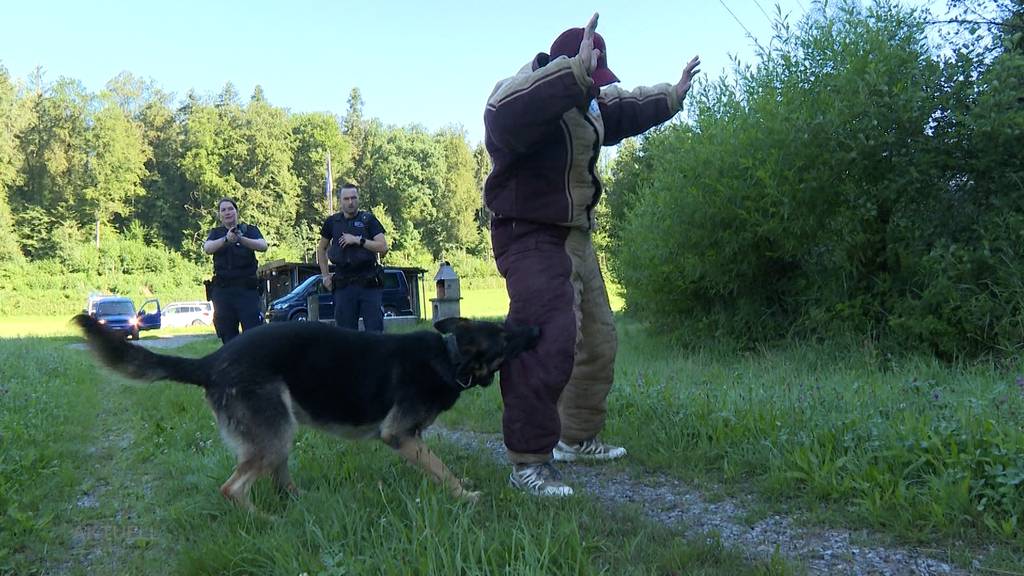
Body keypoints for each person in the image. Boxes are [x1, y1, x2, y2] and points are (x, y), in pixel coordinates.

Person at [483, 13, 700, 496]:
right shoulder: (520, 93)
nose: (595, 89)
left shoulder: (591, 102)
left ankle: (576, 439)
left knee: (598, 341)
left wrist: (672, 94)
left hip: (576, 235)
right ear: (565, 66)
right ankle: (529, 462)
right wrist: (571, 75)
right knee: (548, 338)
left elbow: (624, 108)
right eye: (588, 77)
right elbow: (504, 117)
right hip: (529, 234)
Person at [316, 183, 389, 332]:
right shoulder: (332, 222)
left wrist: (358, 240)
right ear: (340, 201)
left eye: (354, 198)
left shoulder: (368, 220)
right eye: (347, 199)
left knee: (375, 333)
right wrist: (325, 276)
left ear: (358, 199)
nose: (350, 202)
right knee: (345, 335)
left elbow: (383, 248)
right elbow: (321, 249)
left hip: (368, 282)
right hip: (344, 284)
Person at [202, 198, 268, 344]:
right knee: (227, 334)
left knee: (254, 335)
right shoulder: (216, 233)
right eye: (223, 210)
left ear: (236, 212)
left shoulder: (249, 230)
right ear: (220, 215)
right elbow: (207, 248)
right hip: (224, 292)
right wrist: (226, 239)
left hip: (247, 291)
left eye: (230, 209)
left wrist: (241, 239)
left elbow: (263, 245)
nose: (227, 212)